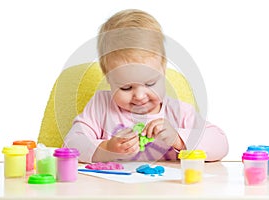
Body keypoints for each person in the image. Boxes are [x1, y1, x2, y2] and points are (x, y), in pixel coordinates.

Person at [63, 9, 228, 163]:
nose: (140, 96)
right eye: (126, 88)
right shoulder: (101, 105)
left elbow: (221, 143)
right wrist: (106, 149)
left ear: (163, 70)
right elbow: (71, 144)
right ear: (108, 78)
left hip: (167, 192)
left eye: (150, 83)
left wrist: (178, 138)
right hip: (114, 192)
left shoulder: (178, 112)